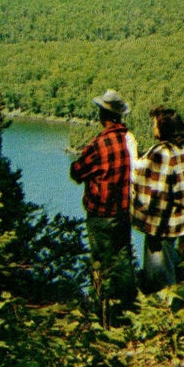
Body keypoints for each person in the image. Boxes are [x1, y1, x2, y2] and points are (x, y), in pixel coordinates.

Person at [70, 89, 138, 317]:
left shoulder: (98, 143)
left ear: (103, 115)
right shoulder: (126, 139)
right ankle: (129, 307)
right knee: (123, 259)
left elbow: (77, 171)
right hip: (122, 213)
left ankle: (103, 310)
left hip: (100, 214)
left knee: (100, 263)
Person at [130, 106, 184, 292]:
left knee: (159, 273)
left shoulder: (161, 153)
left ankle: (166, 306)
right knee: (179, 267)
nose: (152, 128)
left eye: (155, 124)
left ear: (164, 128)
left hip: (164, 225)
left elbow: (152, 190)